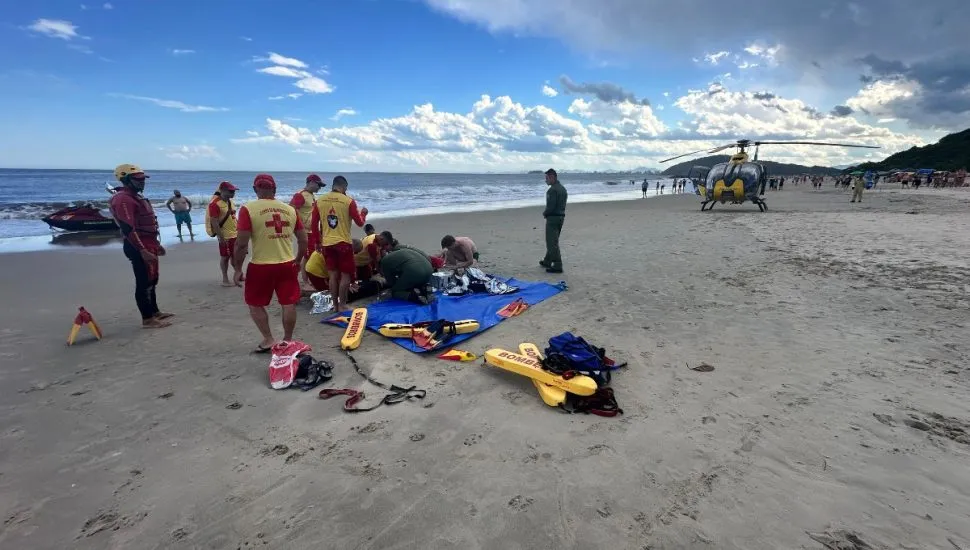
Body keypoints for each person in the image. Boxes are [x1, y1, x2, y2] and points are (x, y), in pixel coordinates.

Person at [232, 174, 307, 353]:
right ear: (274, 190)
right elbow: (303, 240)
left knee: (255, 303)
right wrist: (297, 260)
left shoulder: (247, 209)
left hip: (260, 265)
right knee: (288, 302)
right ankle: (287, 340)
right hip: (286, 263)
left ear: (255, 189)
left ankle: (268, 339)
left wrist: (237, 269)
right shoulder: (290, 210)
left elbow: (241, 243)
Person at [108, 164, 173, 329]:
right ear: (126, 180)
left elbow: (148, 223)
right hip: (137, 245)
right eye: (138, 179)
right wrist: (142, 249)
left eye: (143, 179)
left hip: (149, 243)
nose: (142, 182)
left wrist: (156, 244)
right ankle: (147, 319)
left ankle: (155, 311)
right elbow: (128, 227)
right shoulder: (123, 199)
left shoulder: (137, 197)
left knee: (153, 279)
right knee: (143, 282)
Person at [310, 175, 368, 312]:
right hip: (343, 243)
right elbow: (360, 223)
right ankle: (342, 304)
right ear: (344, 187)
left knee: (333, 275)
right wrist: (364, 213)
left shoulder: (320, 201)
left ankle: (335, 305)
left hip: (327, 243)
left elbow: (313, 224)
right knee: (346, 275)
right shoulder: (348, 201)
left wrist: (317, 242)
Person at [290, 174, 324, 288]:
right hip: (304, 231)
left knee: (310, 255)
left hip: (312, 230)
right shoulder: (301, 195)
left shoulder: (311, 195)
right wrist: (298, 228)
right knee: (308, 256)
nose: (320, 188)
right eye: (319, 185)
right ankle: (305, 281)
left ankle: (305, 279)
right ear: (311, 182)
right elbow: (291, 210)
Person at [207, 181, 239, 286]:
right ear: (222, 191)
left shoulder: (230, 202)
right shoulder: (215, 204)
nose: (233, 193)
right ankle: (225, 279)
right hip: (225, 235)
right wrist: (221, 237)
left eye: (234, 191)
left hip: (235, 234)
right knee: (225, 257)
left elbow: (234, 217)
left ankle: (238, 274)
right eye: (230, 191)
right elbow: (214, 222)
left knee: (236, 256)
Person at [540, 168, 567, 274]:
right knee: (553, 240)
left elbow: (551, 206)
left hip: (553, 218)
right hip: (561, 217)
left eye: (547, 178)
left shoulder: (552, 190)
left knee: (551, 242)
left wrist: (545, 213)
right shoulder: (562, 189)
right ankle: (547, 260)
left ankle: (557, 265)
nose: (545, 180)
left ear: (552, 177)